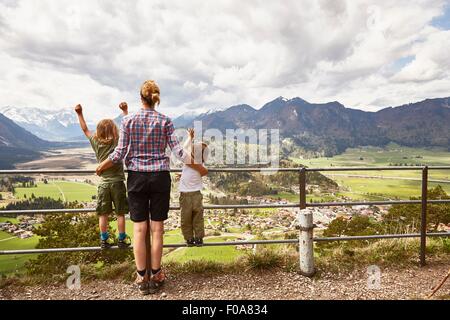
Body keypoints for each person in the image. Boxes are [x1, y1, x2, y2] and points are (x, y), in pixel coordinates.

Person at [95, 80, 208, 295]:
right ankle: (156, 274)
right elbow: (179, 153)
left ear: (140, 98)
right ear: (156, 99)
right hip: (159, 179)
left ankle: (141, 277)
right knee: (157, 229)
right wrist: (199, 167)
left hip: (137, 178)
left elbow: (118, 154)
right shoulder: (165, 121)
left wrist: (102, 165)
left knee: (139, 229)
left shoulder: (128, 120)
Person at [74, 103, 131, 249]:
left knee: (103, 214)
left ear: (98, 131)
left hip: (104, 184)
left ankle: (104, 240)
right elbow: (127, 128)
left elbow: (85, 129)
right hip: (118, 183)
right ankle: (122, 238)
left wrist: (79, 113)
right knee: (120, 214)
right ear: (114, 130)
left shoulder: (96, 142)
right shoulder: (117, 141)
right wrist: (125, 111)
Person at [179, 128, 209, 247]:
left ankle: (189, 239)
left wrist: (189, 138)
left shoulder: (187, 159)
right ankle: (199, 238)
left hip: (185, 195)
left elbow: (182, 149)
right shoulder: (201, 164)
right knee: (198, 218)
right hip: (197, 194)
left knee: (185, 219)